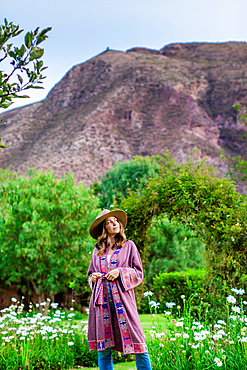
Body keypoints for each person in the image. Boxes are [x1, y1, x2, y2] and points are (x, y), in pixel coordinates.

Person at [87, 209, 152, 370]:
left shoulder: (129, 246)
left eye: (115, 220)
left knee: (139, 343)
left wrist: (120, 272)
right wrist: (93, 277)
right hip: (102, 303)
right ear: (104, 228)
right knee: (104, 349)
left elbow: (138, 273)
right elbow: (90, 274)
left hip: (123, 301)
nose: (114, 223)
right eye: (109, 222)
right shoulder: (97, 251)